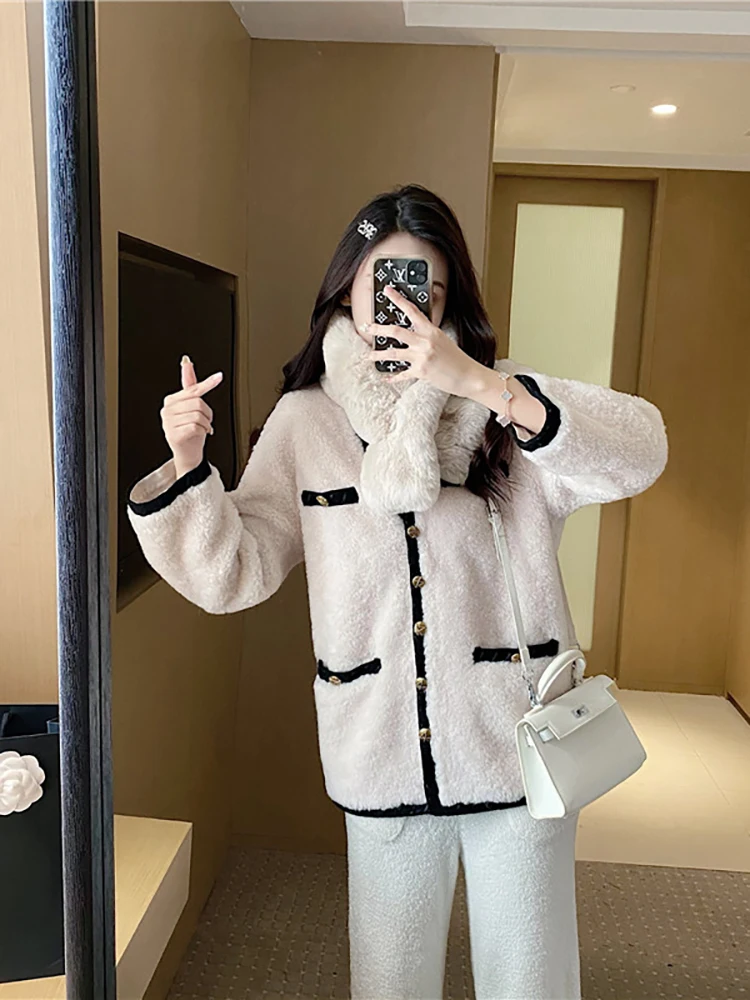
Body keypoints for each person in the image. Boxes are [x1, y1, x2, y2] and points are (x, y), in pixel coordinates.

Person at [127, 183, 668, 1000]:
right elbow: (234, 572)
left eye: (429, 291)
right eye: (383, 285)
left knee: (532, 982)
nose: (404, 309)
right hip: (378, 750)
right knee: (389, 984)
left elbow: (641, 451)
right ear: (348, 289)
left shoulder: (504, 400)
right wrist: (189, 467)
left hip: (518, 750)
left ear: (451, 303)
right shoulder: (305, 422)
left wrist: (484, 386)